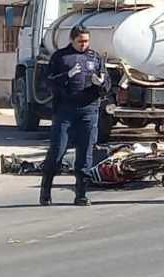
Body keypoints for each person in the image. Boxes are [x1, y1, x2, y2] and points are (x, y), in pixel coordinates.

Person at [39, 26, 111, 206]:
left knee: (85, 152)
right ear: (72, 40)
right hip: (65, 111)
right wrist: (67, 76)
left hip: (89, 110)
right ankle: (46, 191)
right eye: (80, 41)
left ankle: (81, 194)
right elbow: (47, 83)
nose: (83, 45)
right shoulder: (60, 57)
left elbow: (107, 85)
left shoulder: (95, 57)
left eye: (86, 41)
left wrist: (101, 84)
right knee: (57, 151)